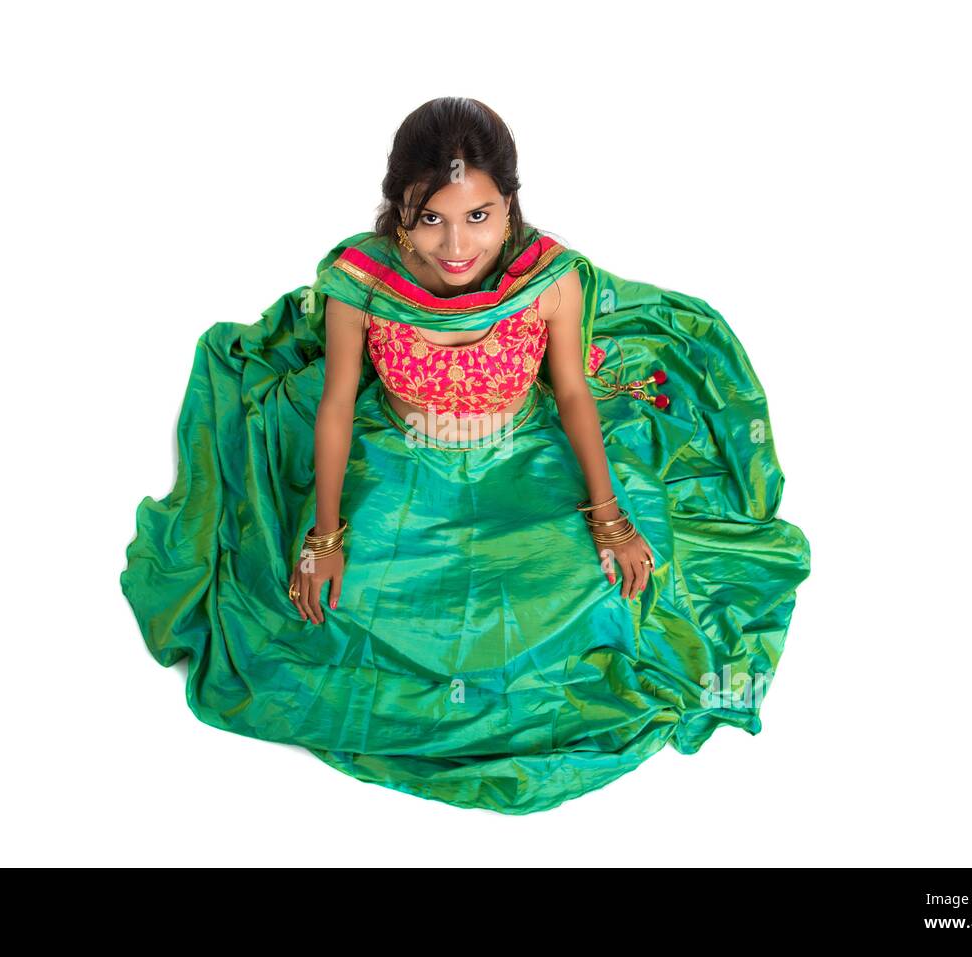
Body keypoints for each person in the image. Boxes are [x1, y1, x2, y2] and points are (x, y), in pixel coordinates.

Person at [119, 97, 812, 815]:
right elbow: (335, 402)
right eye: (432, 219)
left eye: (478, 215)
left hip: (522, 453)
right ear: (399, 216)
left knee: (607, 587)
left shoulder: (551, 280)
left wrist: (609, 516)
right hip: (395, 456)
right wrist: (323, 536)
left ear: (509, 206)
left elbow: (572, 393)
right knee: (331, 604)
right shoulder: (361, 285)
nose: (456, 245)